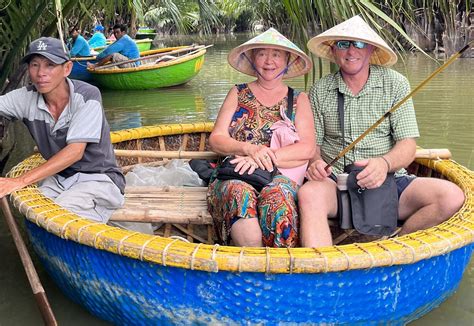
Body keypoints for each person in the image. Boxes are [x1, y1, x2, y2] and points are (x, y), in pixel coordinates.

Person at [299, 15, 465, 247]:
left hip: (387, 181)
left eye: (358, 43)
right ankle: (323, 273)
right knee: (308, 195)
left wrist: (384, 164)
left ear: (370, 50)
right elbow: (312, 147)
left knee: (451, 196)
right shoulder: (319, 90)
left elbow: (407, 145)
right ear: (333, 50)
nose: (351, 51)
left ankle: (397, 245)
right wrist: (315, 163)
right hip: (336, 181)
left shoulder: (396, 84)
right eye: (343, 44)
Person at [0, 37, 152, 234]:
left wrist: (19, 181)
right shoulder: (25, 97)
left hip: (98, 179)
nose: (40, 73)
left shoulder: (87, 96)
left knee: (59, 217)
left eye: (50, 65)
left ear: (67, 69)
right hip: (59, 179)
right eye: (34, 65)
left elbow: (74, 152)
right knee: (38, 213)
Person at [207, 28, 315, 248]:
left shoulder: (299, 99)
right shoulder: (237, 93)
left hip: (281, 174)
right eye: (262, 54)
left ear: (287, 60)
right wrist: (249, 149)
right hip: (235, 174)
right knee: (239, 194)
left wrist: (264, 156)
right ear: (252, 59)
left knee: (277, 197)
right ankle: (253, 269)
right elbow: (216, 139)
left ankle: (282, 270)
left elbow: (307, 148)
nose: (269, 61)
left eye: (276, 54)